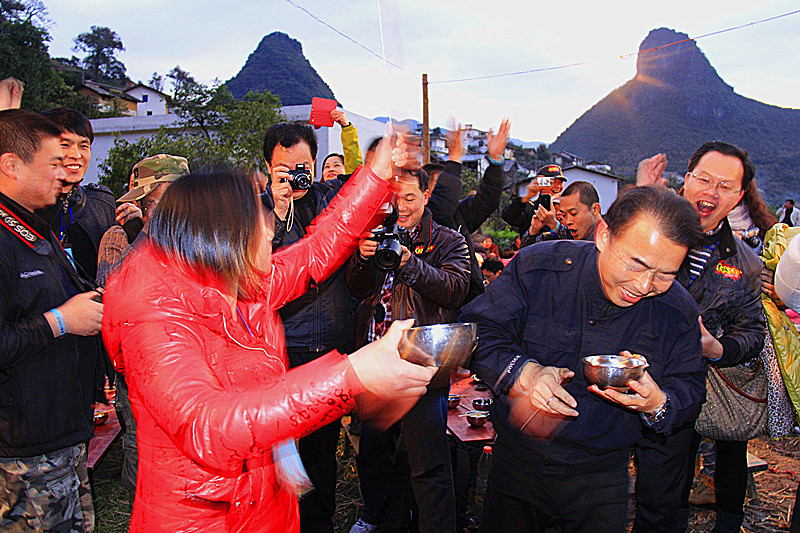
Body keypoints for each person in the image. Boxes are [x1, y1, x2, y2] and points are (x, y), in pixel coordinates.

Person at [101, 136, 438, 533]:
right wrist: (349, 377)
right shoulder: (153, 313)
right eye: (256, 221)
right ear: (219, 235)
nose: (269, 230)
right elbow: (208, 424)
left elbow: (317, 250)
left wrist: (377, 174)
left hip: (263, 502)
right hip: (203, 517)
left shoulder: (235, 282)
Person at [460, 185, 706, 533]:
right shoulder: (540, 269)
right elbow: (479, 330)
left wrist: (658, 403)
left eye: (664, 275)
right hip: (517, 466)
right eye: (637, 263)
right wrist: (524, 373)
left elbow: (691, 386)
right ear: (604, 235)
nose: (644, 284)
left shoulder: (676, 310)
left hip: (601, 477)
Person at [635, 142, 766, 533]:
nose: (711, 193)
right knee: (657, 481)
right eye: (704, 180)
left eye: (725, 186)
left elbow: (754, 331)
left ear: (739, 197)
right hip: (645, 379)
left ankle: (726, 523)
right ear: (686, 180)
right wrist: (645, 197)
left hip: (704, 387)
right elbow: (603, 262)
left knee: (714, 462)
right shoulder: (649, 231)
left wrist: (719, 347)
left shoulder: (745, 263)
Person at [345, 168, 470, 533]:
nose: (401, 207)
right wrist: (362, 257)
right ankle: (379, 519)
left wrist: (409, 263)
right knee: (373, 455)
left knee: (428, 466)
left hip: (421, 367)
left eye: (410, 198)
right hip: (375, 366)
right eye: (394, 199)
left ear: (426, 196)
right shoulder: (378, 234)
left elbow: (455, 289)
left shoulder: (447, 240)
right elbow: (356, 288)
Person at [0, 109, 103, 532]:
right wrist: (60, 321)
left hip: (61, 434)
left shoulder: (33, 228)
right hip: (23, 450)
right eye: (53, 163)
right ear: (11, 165)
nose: (64, 173)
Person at [260, 121, 361, 533]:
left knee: (321, 448)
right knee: (280, 447)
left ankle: (319, 523)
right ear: (268, 166)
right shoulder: (256, 211)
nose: (296, 176)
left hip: (331, 344)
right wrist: (278, 212)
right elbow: (254, 271)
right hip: (283, 347)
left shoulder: (329, 200)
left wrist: (347, 129)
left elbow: (362, 187)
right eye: (285, 168)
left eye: (303, 166)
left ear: (315, 163)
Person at [95, 154, 190, 497]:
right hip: (140, 373)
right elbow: (110, 313)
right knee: (142, 447)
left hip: (187, 374)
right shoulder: (120, 240)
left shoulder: (196, 241)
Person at [425, 119, 510, 303]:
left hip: (469, 302)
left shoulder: (459, 215)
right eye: (443, 185)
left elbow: (487, 200)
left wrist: (495, 161)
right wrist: (454, 158)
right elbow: (439, 209)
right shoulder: (417, 221)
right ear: (424, 193)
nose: (450, 190)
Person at [501, 164, 566, 237]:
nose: (558, 186)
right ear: (541, 182)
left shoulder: (566, 209)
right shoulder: (530, 207)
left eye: (560, 183)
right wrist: (526, 197)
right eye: (552, 182)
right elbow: (508, 217)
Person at [321, 109, 362, 182]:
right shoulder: (315, 192)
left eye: (336, 165)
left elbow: (352, 156)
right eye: (327, 166)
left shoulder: (353, 189)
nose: (331, 169)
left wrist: (346, 126)